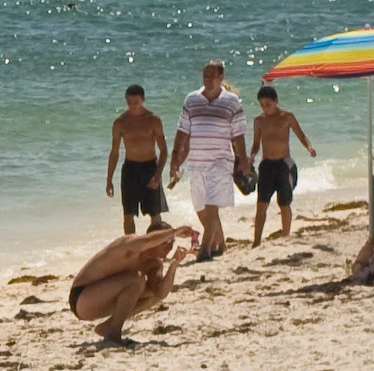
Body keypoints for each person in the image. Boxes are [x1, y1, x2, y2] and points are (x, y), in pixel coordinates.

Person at [166, 60, 249, 259]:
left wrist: (243, 158)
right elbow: (183, 130)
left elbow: (238, 134)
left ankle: (205, 249)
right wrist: (175, 158)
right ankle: (220, 244)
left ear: (221, 78)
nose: (208, 80)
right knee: (201, 208)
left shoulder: (231, 102)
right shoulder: (191, 100)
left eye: (212, 76)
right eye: (205, 76)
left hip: (221, 161)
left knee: (212, 205)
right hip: (197, 161)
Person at [67, 225, 195, 344]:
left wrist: (174, 265)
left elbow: (160, 293)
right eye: (166, 241)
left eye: (172, 242)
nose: (169, 246)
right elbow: (146, 241)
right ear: (154, 239)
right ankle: (114, 333)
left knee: (151, 292)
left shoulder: (154, 263)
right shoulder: (130, 244)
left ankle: (108, 327)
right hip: (82, 297)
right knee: (137, 281)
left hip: (102, 300)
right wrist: (176, 231)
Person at [249, 84, 317, 244]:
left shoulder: (287, 117)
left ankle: (286, 236)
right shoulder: (259, 121)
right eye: (262, 105)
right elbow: (256, 144)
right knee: (261, 205)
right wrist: (251, 156)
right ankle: (256, 241)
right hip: (266, 165)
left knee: (284, 203)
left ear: (276, 101)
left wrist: (309, 148)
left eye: (268, 104)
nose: (265, 108)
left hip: (283, 165)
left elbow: (301, 135)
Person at [106, 84, 169, 233]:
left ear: (143, 100)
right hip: (130, 169)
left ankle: (155, 250)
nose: (132, 106)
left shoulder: (153, 120)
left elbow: (164, 150)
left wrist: (158, 174)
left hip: (150, 168)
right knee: (128, 215)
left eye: (136, 102)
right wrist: (109, 179)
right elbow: (114, 152)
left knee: (155, 214)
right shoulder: (120, 122)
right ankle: (132, 252)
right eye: (129, 103)